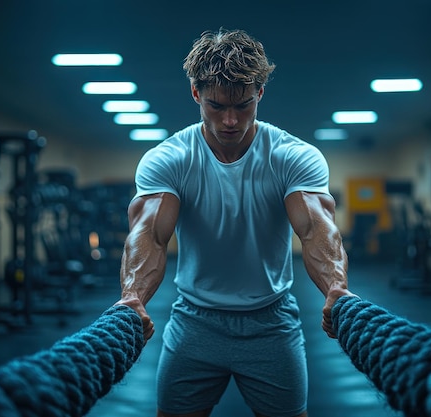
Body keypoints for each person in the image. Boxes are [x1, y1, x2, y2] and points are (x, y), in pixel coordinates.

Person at [116, 28, 353, 417]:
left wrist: (336, 289)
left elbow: (315, 229)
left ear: (260, 94)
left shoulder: (293, 156)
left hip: (272, 322)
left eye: (243, 105)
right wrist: (132, 297)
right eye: (215, 106)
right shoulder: (169, 158)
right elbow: (150, 235)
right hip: (194, 321)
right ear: (195, 94)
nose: (230, 120)